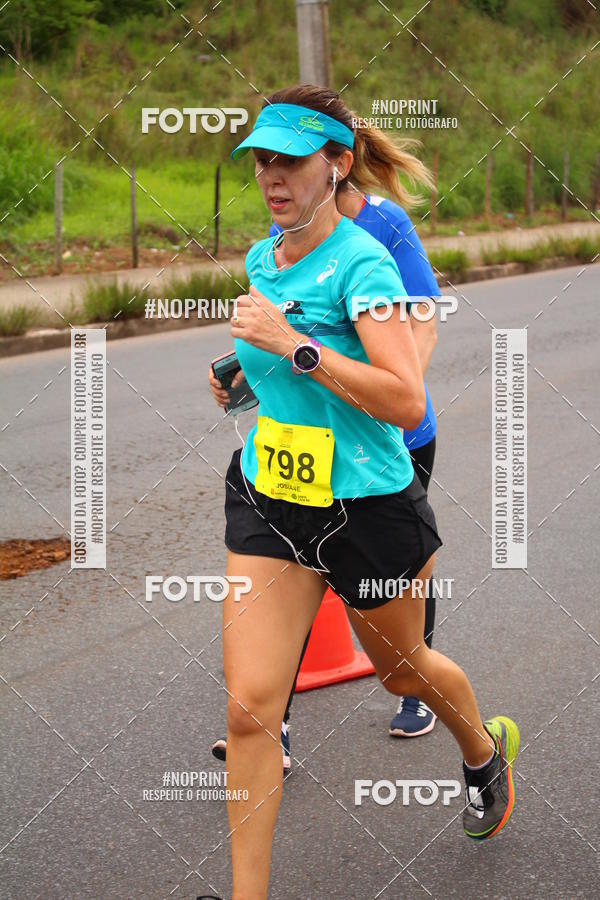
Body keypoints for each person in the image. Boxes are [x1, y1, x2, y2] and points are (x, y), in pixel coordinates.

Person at [209, 84, 519, 899]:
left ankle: (483, 751)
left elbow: (404, 397)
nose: (272, 177)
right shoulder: (259, 256)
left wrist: (296, 345)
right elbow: (283, 373)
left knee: (404, 671)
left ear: (335, 164)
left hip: (369, 508)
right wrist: (245, 378)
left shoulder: (366, 261)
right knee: (249, 710)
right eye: (261, 162)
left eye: (291, 161)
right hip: (273, 496)